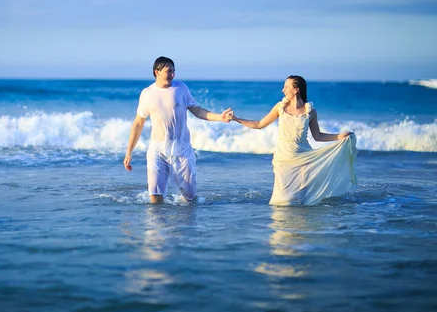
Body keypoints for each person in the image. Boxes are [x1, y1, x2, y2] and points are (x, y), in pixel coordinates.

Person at [232, 75, 357, 206]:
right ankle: (281, 223)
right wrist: (236, 119)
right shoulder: (280, 107)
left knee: (301, 198)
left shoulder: (310, 111)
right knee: (282, 199)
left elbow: (318, 136)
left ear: (296, 89)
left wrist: (339, 136)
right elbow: (259, 124)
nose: (283, 90)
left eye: (286, 86)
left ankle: (301, 222)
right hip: (284, 157)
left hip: (304, 157)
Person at [124, 56, 233, 204]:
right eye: (169, 71)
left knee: (190, 199)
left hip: (182, 150)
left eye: (174, 71)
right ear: (157, 72)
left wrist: (220, 117)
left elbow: (197, 110)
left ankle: (184, 227)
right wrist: (129, 152)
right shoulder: (147, 93)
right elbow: (138, 123)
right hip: (157, 150)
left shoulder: (181, 88)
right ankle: (156, 226)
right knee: (155, 196)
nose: (172, 75)